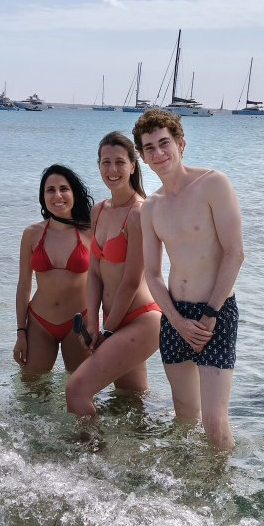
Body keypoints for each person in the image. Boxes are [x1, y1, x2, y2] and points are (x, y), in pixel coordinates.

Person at [133, 109, 244, 450]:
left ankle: (223, 490)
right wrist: (176, 320)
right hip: (174, 316)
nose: (158, 153)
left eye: (164, 143)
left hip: (216, 313)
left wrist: (209, 314)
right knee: (183, 415)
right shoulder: (151, 208)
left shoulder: (213, 184)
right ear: (142, 156)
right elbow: (152, 272)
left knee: (214, 421)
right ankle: (185, 492)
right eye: (149, 148)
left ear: (181, 144)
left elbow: (234, 253)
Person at [65, 133, 161, 417]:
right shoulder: (99, 211)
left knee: (76, 390)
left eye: (120, 162)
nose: (112, 169)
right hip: (112, 320)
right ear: (98, 166)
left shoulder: (139, 213)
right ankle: (134, 460)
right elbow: (94, 272)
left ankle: (86, 458)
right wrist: (93, 322)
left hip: (142, 319)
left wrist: (107, 330)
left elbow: (132, 280)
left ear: (133, 165)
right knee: (129, 403)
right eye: (106, 162)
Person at [14, 164, 93, 377]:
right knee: (31, 392)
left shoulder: (91, 232)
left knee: (79, 391)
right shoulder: (32, 234)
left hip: (78, 324)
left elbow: (104, 281)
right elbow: (24, 284)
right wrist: (21, 332)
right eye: (50, 190)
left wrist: (96, 325)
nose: (57, 195)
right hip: (39, 322)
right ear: (43, 197)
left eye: (63, 189)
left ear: (73, 192)